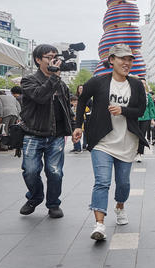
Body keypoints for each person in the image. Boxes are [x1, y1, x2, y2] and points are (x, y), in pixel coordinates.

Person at [72, 44, 147, 241]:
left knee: (123, 183)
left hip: (127, 141)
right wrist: (78, 125)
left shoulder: (137, 85)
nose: (127, 63)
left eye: (130, 59)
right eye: (122, 58)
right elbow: (82, 99)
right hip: (102, 141)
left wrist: (123, 110)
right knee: (102, 182)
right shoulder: (98, 82)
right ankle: (99, 224)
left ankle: (120, 206)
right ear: (111, 60)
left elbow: (140, 110)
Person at [18, 44, 72, 219]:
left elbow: (66, 108)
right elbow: (40, 96)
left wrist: (74, 126)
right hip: (33, 133)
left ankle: (53, 204)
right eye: (49, 57)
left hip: (56, 135)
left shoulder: (61, 84)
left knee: (55, 172)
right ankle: (35, 197)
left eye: (55, 56)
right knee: (30, 171)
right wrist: (54, 77)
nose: (53, 60)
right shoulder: (28, 80)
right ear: (38, 60)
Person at [136, 80, 155, 162]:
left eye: (144, 83)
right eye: (141, 83)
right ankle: (133, 151)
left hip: (146, 118)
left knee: (142, 135)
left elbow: (151, 108)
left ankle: (139, 153)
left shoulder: (148, 96)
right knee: (134, 135)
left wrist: (152, 118)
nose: (143, 85)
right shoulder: (134, 94)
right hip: (136, 117)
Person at [76, 84, 91, 150]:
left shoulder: (88, 98)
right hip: (78, 117)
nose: (81, 90)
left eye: (82, 88)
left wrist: (88, 110)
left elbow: (91, 107)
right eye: (80, 88)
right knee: (77, 130)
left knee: (86, 131)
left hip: (86, 117)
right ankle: (77, 146)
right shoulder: (76, 98)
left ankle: (85, 144)